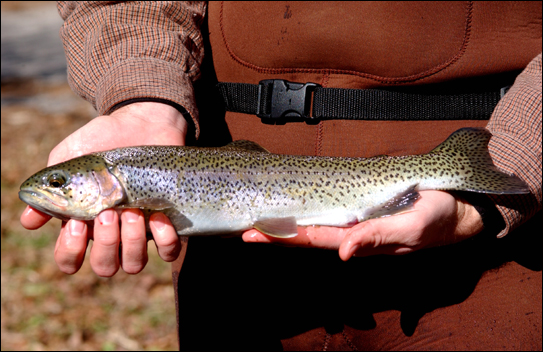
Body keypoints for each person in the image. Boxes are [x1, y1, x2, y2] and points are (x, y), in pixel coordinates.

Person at [21, 2, 541, 350]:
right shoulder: (132, 164)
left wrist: (517, 162)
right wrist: (142, 95)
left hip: (487, 263)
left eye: (62, 183)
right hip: (241, 291)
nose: (54, 190)